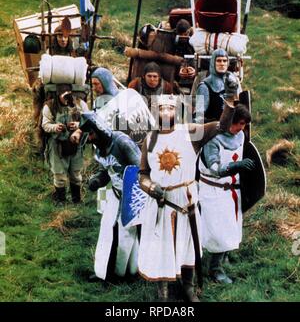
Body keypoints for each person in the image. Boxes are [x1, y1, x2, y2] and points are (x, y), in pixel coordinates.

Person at [137, 75, 238, 302]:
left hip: (185, 200)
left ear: (175, 111)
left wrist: (231, 99)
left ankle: (189, 287)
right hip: (162, 202)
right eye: (161, 109)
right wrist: (151, 187)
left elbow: (222, 126)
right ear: (156, 112)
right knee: (162, 245)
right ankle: (163, 290)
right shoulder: (150, 139)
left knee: (188, 242)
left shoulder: (190, 132)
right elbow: (142, 174)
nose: (165, 113)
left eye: (169, 109)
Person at [70, 112, 141, 282]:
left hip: (133, 195)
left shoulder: (122, 142)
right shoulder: (100, 147)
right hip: (116, 194)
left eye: (92, 133)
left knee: (126, 235)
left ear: (100, 129)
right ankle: (103, 271)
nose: (91, 138)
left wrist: (136, 197)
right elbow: (108, 169)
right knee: (106, 230)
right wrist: (98, 180)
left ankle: (125, 273)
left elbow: (140, 168)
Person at [198, 104, 255, 284]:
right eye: (239, 123)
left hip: (232, 189)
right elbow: (214, 168)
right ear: (230, 121)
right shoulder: (213, 140)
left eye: (244, 125)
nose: (242, 128)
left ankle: (223, 257)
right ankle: (215, 270)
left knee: (231, 227)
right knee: (217, 231)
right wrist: (235, 166)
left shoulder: (240, 136)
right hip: (214, 190)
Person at [42, 84, 89, 203]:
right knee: (59, 175)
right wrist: (55, 127)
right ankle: (61, 201)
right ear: (58, 95)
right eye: (64, 97)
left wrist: (79, 125)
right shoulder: (50, 106)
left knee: (76, 174)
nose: (67, 99)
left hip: (76, 143)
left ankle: (76, 201)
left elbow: (90, 120)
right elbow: (45, 124)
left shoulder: (80, 104)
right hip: (57, 145)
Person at [194, 49, 241, 123]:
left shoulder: (233, 81)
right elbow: (198, 116)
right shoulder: (205, 86)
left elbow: (240, 109)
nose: (222, 64)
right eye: (219, 61)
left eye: (225, 61)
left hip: (232, 127)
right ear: (213, 62)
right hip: (213, 128)